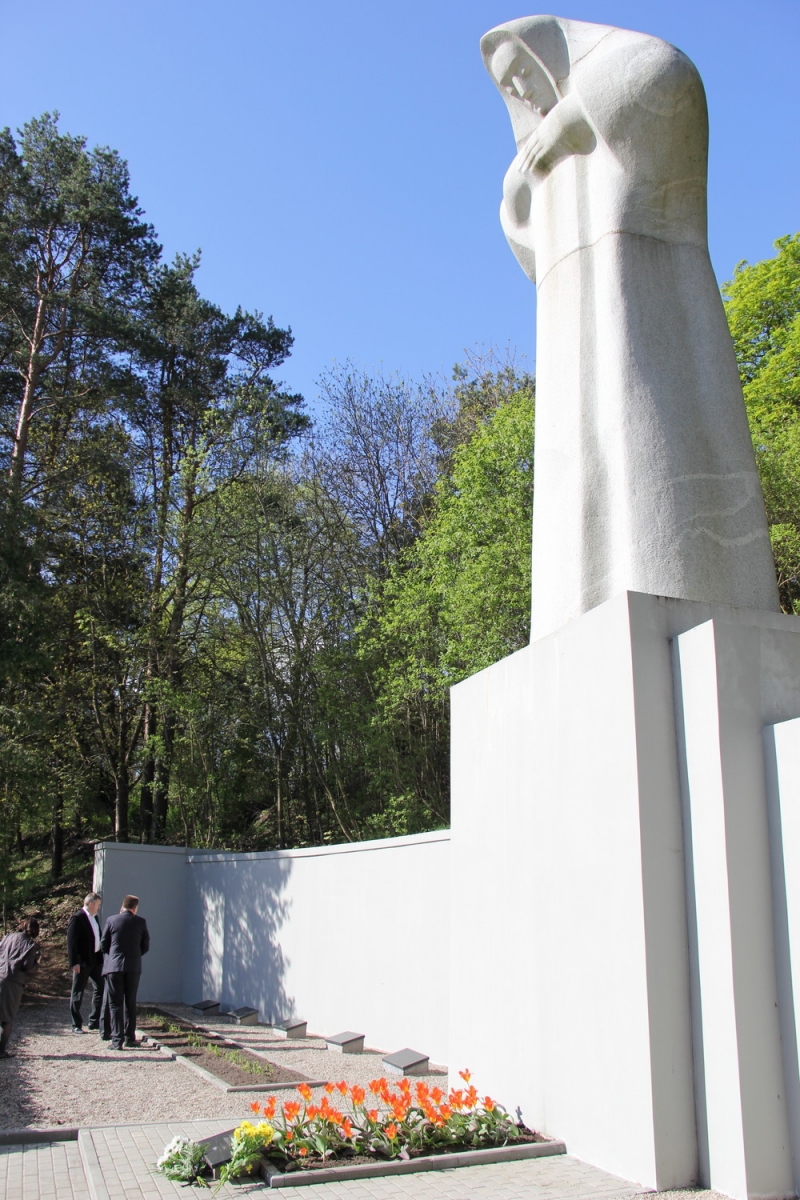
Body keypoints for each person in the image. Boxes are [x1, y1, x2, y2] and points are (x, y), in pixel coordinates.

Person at [480, 17, 779, 642]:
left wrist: (573, 117)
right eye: (513, 88)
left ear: (548, 52)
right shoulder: (546, 157)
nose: (527, 94)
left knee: (646, 425)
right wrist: (521, 182)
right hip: (571, 320)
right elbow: (527, 233)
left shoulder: (614, 63)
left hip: (644, 292)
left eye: (525, 74)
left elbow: (664, 73)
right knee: (582, 461)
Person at [100, 895, 150, 1050]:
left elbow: (103, 944)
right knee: (130, 1002)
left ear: (123, 906)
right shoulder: (140, 922)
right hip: (133, 967)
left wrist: (114, 956)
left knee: (115, 1003)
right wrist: (134, 956)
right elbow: (145, 945)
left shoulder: (111, 920)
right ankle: (130, 1037)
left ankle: (117, 1040)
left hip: (114, 967)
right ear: (135, 908)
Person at [0, 917, 41, 1059]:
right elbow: (27, 966)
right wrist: (37, 963)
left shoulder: (7, 937)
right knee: (7, 1017)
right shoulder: (30, 945)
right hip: (13, 981)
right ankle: (1, 1051)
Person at [66, 892, 104, 1034]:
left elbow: (97, 937)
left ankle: (94, 1021)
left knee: (100, 987)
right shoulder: (77, 918)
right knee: (78, 992)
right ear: (90, 904)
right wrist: (74, 962)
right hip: (82, 961)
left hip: (95, 960)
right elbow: (72, 942)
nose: (99, 908)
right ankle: (76, 1024)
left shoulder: (95, 918)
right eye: (98, 905)